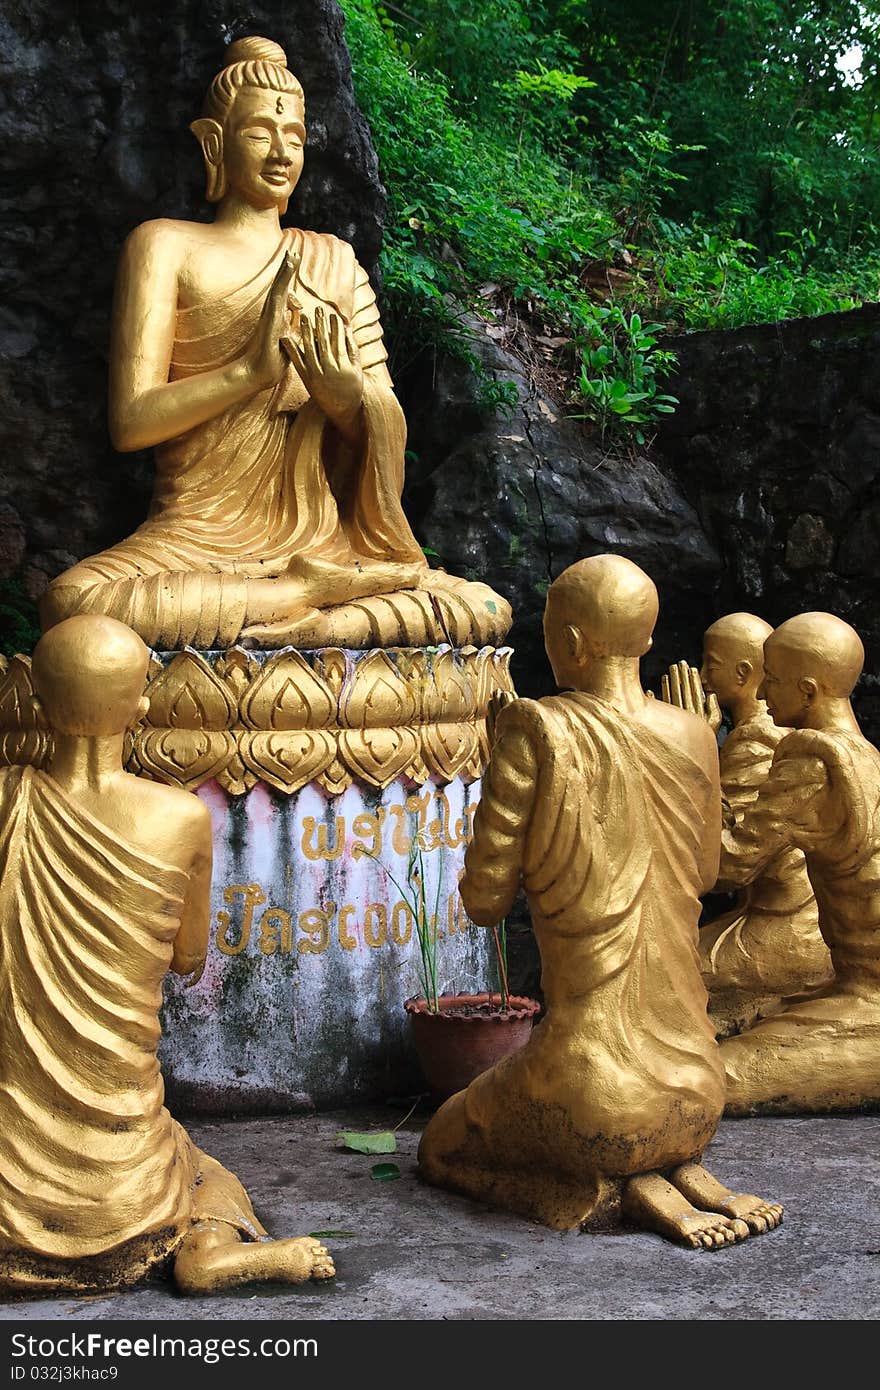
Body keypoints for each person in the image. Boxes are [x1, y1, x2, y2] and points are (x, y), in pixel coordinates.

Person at [40, 36, 509, 652]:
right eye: (260, 133)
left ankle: (307, 602)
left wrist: (347, 397)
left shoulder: (334, 263)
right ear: (214, 143)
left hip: (326, 539)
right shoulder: (164, 247)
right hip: (192, 540)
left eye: (294, 135)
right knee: (72, 604)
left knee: (480, 608)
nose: (281, 152)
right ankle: (301, 601)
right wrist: (249, 372)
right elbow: (130, 423)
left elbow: (386, 425)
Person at [418, 555, 782, 1248]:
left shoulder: (534, 729)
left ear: (572, 643)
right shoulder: (696, 734)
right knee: (629, 1120)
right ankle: (670, 1176)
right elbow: (707, 873)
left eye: (550, 628)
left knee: (439, 1146)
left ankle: (587, 1194)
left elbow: (484, 901)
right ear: (646, 641)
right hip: (699, 1091)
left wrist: (507, 774)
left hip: (596, 1094)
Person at [0, 613, 335, 1293]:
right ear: (142, 707)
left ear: (33, 701)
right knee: (207, 1177)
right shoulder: (180, 818)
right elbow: (187, 958)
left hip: (10, 1177)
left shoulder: (8, 796)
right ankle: (208, 1249)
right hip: (127, 1179)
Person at [717, 612, 880, 1114]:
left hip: (870, 997)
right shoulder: (864, 752)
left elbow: (731, 863)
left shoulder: (813, 761)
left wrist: (684, 759)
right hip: (848, 979)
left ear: (808, 691)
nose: (763, 697)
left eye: (775, 681)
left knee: (710, 1080)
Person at [693, 614, 829, 1030]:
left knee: (660, 974)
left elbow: (725, 865)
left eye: (710, 665)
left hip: (789, 926)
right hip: (767, 913)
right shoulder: (758, 738)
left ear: (743, 673)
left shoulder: (759, 742)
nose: (700, 677)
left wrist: (694, 746)